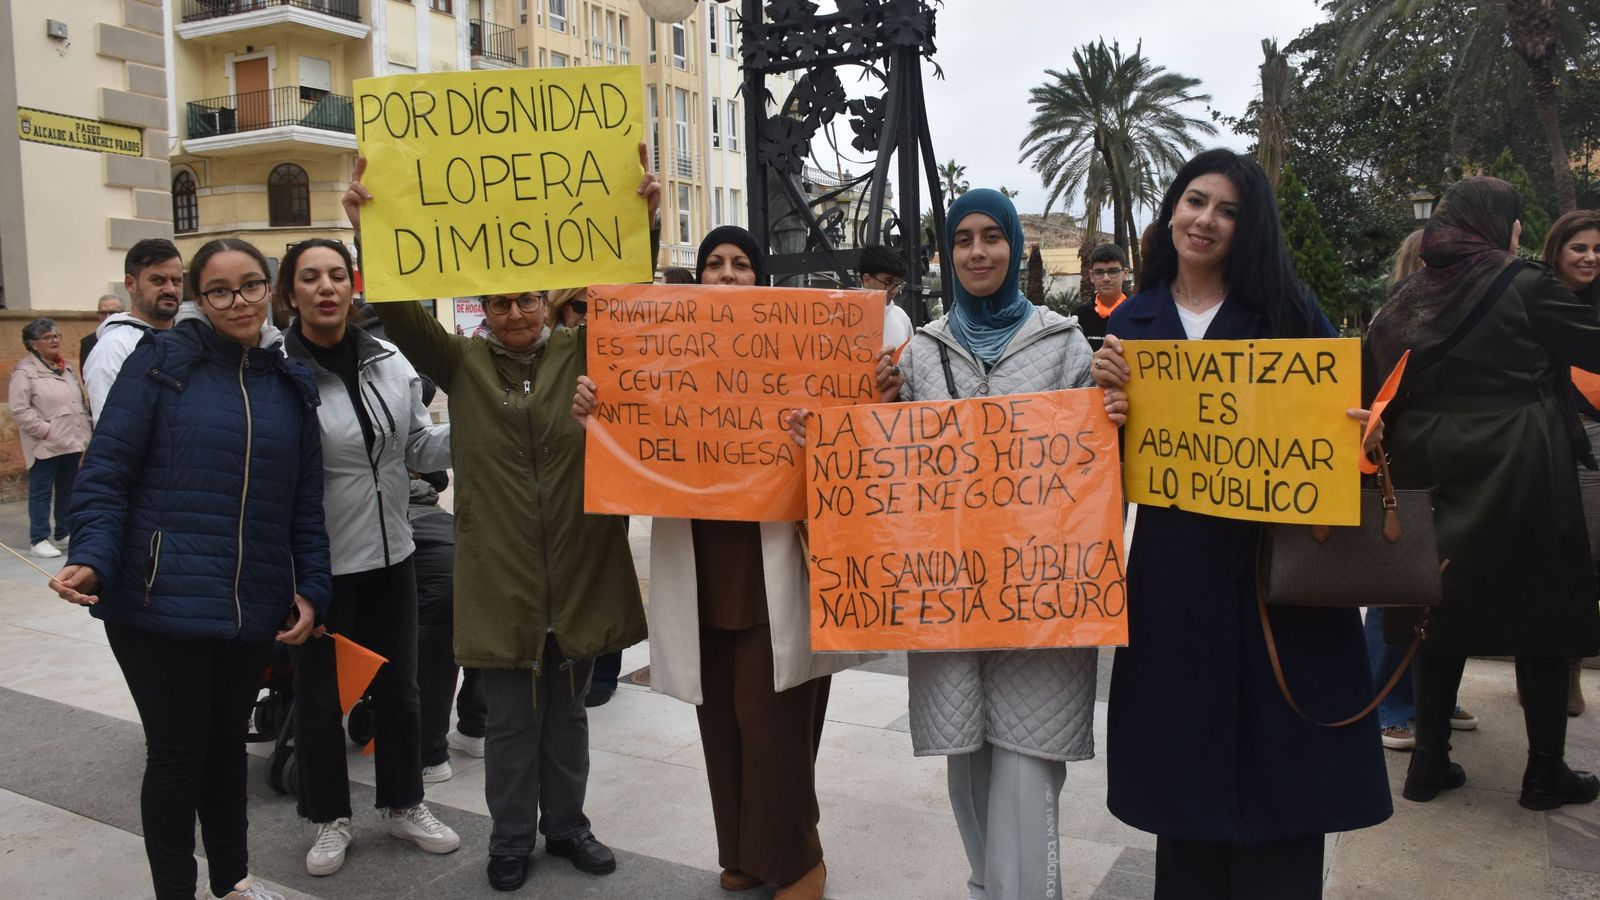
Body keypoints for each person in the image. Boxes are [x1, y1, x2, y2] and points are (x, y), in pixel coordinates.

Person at [343, 148, 655, 893]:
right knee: (511, 722)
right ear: (482, 310)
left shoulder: (585, 351)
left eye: (527, 300)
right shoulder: (460, 364)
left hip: (577, 571)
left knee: (569, 716)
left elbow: (635, 302)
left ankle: (569, 827)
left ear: (548, 301)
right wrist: (368, 232)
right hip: (501, 578)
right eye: (500, 303)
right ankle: (512, 839)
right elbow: (394, 305)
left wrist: (641, 218)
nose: (515, 314)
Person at [1090, 149, 1391, 898]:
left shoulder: (1289, 310)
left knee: (1285, 779)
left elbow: (1348, 426)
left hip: (1278, 579)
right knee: (1183, 775)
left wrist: (1365, 432)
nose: (1206, 220)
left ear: (1247, 227)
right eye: (1196, 201)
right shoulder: (1132, 320)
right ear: (1171, 209)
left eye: (1227, 210)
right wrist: (1106, 417)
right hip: (1176, 580)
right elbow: (1101, 467)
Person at [573, 225, 886, 900]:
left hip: (776, 567)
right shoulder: (665, 359)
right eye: (713, 263)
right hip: (702, 567)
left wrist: (858, 404)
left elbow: (859, 446)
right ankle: (744, 847)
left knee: (772, 718)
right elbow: (627, 420)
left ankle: (799, 857)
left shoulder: (801, 352)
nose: (726, 274)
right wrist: (600, 413)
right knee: (720, 720)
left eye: (741, 264)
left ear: (761, 279)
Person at [48, 237, 330, 900]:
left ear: (272, 290)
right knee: (177, 760)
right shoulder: (162, 362)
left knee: (226, 756)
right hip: (157, 601)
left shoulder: (290, 384)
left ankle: (231, 882)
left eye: (251, 285)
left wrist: (311, 590)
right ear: (201, 300)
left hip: (248, 606)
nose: (239, 301)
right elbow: (107, 472)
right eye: (221, 290)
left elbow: (304, 509)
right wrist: (90, 556)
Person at [889, 190, 1097, 900]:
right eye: (963, 240)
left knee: (1027, 767)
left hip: (1043, 597)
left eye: (992, 238)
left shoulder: (1066, 345)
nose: (978, 253)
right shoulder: (919, 352)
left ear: (1015, 247)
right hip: (949, 597)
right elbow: (891, 471)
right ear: (948, 255)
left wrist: (1119, 413)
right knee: (968, 767)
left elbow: (1096, 474)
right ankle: (989, 887)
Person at [1368, 178, 1600, 812]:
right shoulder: (1524, 284)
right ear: (1505, 226)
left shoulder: (1411, 294)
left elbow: (1373, 372)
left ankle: (1428, 766)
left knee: (1434, 608)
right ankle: (1545, 774)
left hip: (1427, 460)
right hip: (1518, 457)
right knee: (1540, 610)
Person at [275, 238, 459, 875]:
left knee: (401, 691)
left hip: (393, 552)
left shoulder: (387, 359)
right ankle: (329, 818)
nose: (326, 288)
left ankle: (405, 805)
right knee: (324, 700)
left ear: (352, 286)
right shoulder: (276, 368)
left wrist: (481, 427)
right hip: (320, 566)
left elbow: (417, 448)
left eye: (336, 275)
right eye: (310, 278)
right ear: (290, 292)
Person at [1365, 227, 1478, 750]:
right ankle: (1387, 701)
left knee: (1442, 587)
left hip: (1454, 469)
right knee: (1397, 585)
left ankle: (1431, 694)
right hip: (1406, 469)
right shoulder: (1396, 325)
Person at [547, 287, 629, 710]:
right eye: (582, 308)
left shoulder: (621, 349)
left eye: (600, 309)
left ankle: (603, 670)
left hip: (613, 478)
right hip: (561, 484)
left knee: (606, 568)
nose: (591, 318)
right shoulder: (545, 358)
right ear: (561, 310)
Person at [1545, 209, 1600, 719]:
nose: (1590, 258)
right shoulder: (1538, 299)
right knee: (1572, 560)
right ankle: (1561, 677)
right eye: (1579, 248)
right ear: (1557, 250)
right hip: (1563, 440)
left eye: (1597, 250)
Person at [411, 464, 488, 779]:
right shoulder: (408, 423)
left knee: (434, 642)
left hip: (397, 529)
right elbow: (439, 478)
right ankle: (475, 729)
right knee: (475, 616)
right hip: (449, 531)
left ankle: (430, 756)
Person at [9, 317, 92, 558]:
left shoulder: (64, 367)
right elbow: (19, 410)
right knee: (41, 491)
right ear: (33, 344)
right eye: (48, 337)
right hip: (45, 444)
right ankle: (39, 538)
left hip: (71, 439)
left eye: (57, 336)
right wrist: (45, 430)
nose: (55, 340)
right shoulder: (25, 372)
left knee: (68, 488)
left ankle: (64, 530)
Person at [84, 239, 183, 422]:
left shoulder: (189, 339)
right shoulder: (113, 348)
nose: (170, 289)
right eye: (158, 280)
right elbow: (112, 430)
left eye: (176, 281)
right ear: (130, 284)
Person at [1073, 243, 1130, 348]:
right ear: (1091, 276)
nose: (1106, 278)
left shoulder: (1138, 312)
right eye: (1099, 272)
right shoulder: (1079, 316)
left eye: (1113, 271)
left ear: (1125, 273)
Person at [858, 243, 915, 349]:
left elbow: (910, 361)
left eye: (898, 283)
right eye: (888, 282)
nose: (894, 290)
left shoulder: (901, 317)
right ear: (867, 280)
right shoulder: (845, 316)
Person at [80, 294, 126, 368]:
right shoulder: (87, 342)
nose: (108, 317)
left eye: (113, 313)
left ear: (124, 314)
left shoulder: (133, 337)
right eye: (103, 313)